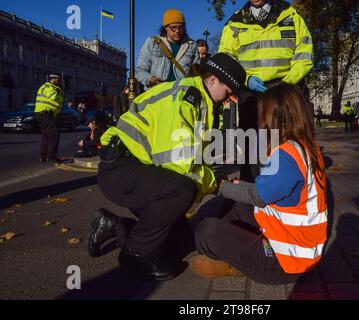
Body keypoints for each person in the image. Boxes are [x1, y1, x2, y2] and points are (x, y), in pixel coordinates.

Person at [87, 53, 246, 281]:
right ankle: (135, 254)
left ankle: (114, 225)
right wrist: (216, 183)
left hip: (137, 170)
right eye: (229, 92)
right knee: (182, 190)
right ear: (211, 80)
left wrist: (213, 178)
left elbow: (196, 156)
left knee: (180, 243)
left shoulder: (203, 101)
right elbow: (179, 164)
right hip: (121, 170)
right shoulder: (186, 99)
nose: (231, 99)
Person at [191, 83, 328, 284]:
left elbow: (257, 196)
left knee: (206, 231)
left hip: (286, 261)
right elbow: (265, 191)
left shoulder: (286, 156)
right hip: (297, 245)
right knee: (238, 204)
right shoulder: (304, 146)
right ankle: (236, 251)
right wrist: (237, 186)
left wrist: (218, 185)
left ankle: (236, 261)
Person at [219, 0, 314, 182]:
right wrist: (246, 79)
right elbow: (227, 58)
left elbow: (305, 53)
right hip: (250, 91)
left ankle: (289, 187)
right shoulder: (235, 22)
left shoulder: (291, 15)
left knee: (288, 141)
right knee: (252, 145)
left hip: (284, 89)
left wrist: (287, 82)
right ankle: (250, 192)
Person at [136, 9, 200, 91]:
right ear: (166, 27)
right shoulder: (152, 42)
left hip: (180, 95)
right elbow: (140, 71)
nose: (177, 31)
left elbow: (196, 75)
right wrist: (151, 79)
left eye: (180, 27)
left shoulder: (192, 45)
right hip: (156, 94)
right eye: (173, 27)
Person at [34, 74, 70, 163]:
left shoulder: (44, 86)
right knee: (54, 136)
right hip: (47, 114)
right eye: (57, 79)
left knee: (45, 136)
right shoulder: (49, 87)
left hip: (41, 113)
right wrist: (61, 98)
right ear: (52, 79)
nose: (58, 81)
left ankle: (43, 156)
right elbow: (54, 97)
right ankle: (51, 157)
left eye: (59, 79)